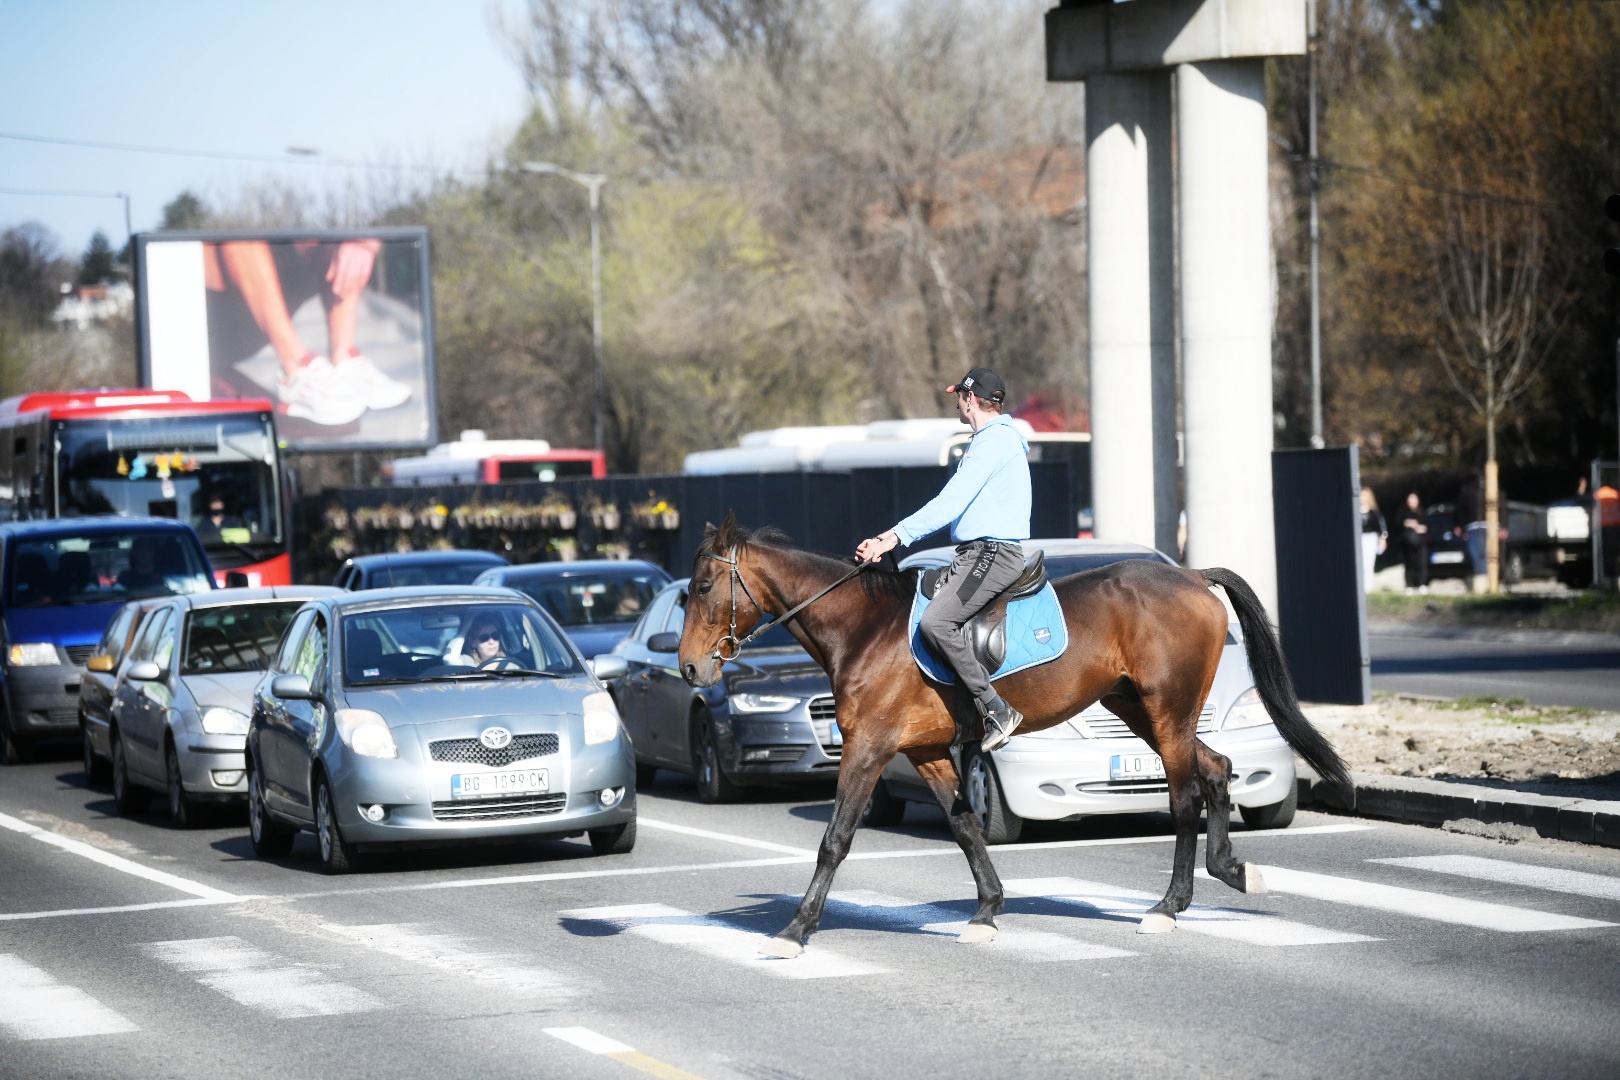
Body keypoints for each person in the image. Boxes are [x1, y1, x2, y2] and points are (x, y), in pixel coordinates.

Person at [855, 367, 1032, 752]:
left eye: (959, 396)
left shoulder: (991, 442)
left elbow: (948, 504)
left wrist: (891, 538)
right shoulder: (996, 439)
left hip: (991, 553)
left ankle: (997, 709)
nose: (956, 403)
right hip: (976, 553)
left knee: (936, 623)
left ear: (971, 399)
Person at [203, 238, 412, 426]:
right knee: (242, 232)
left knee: (345, 234)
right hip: (212, 329)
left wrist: (363, 243)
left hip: (260, 315)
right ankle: (294, 371)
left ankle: (343, 359)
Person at [1456, 472, 1488, 590]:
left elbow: (1460, 511)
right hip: (1478, 527)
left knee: (1479, 555)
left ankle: (1481, 582)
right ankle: (1482, 581)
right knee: (1482, 555)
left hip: (1476, 527)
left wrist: (1460, 526)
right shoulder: (1486, 492)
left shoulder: (1467, 493)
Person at [1398, 492, 1428, 595]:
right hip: (1407, 543)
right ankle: (1409, 585)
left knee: (1421, 563)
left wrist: (1420, 528)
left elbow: (1427, 526)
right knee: (1409, 564)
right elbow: (1398, 524)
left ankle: (1421, 584)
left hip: (1420, 543)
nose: (1412, 502)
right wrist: (1408, 524)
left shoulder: (1422, 512)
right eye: (1410, 500)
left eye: (1414, 499)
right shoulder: (1402, 512)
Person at [1359, 487, 1387, 593]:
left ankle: (1367, 588)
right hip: (1359, 538)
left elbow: (1381, 527)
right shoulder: (1354, 510)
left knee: (1368, 562)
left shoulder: (1373, 512)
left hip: (1370, 539)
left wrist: (1382, 539)